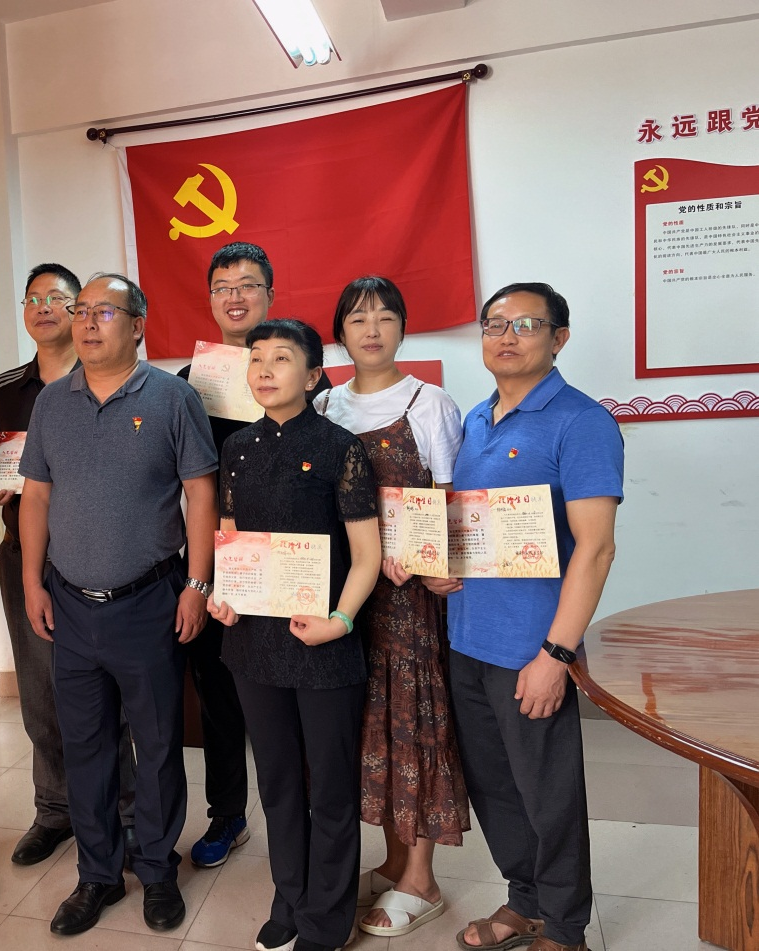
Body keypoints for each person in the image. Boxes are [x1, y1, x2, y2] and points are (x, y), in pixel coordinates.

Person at [19, 273, 218, 935]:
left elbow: (200, 492)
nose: (86, 322)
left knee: (157, 745)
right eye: (81, 310)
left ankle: (157, 869)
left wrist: (196, 584)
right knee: (87, 747)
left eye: (103, 311)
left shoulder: (172, 397)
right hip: (70, 604)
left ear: (137, 325)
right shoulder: (52, 402)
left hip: (149, 600)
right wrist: (31, 581)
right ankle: (98, 874)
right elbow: (36, 495)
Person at [429, 284, 622, 951]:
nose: (505, 337)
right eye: (493, 325)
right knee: (496, 787)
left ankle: (566, 928)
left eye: (526, 324)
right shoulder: (476, 419)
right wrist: (442, 564)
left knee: (548, 793)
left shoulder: (581, 421)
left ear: (559, 337)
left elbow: (595, 549)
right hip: (466, 640)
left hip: (532, 648)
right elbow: (473, 525)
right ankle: (526, 900)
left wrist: (557, 654)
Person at [208, 319, 382, 951]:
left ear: (312, 377)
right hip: (253, 644)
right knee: (278, 782)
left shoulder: (340, 448)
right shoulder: (238, 447)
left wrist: (340, 621)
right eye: (256, 358)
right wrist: (225, 595)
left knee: (330, 787)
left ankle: (327, 919)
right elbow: (233, 540)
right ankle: (290, 897)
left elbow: (366, 555)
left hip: (324, 643)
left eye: (281, 358)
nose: (264, 369)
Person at [313, 276, 470, 938]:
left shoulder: (430, 403)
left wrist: (435, 562)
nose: (371, 329)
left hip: (408, 602)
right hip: (345, 595)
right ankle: (392, 858)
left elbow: (450, 498)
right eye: (357, 318)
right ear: (340, 334)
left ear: (403, 328)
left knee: (414, 724)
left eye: (384, 317)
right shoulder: (324, 405)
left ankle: (422, 879)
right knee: (366, 725)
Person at [175, 242, 332, 869]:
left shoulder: (305, 375)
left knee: (298, 702)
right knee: (219, 697)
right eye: (222, 287)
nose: (234, 296)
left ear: (270, 294)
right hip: (223, 565)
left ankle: (307, 824)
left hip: (296, 567)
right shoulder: (190, 383)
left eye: (247, 285)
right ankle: (228, 816)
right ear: (211, 300)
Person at [0, 264, 139, 868]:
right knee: (40, 691)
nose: (44, 307)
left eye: (59, 299)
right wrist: (1, 488)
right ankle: (55, 808)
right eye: (33, 298)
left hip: (95, 555)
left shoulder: (108, 377)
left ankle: (125, 813)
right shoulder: (5, 390)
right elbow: (0, 465)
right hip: (27, 554)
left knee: (108, 693)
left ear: (82, 312)